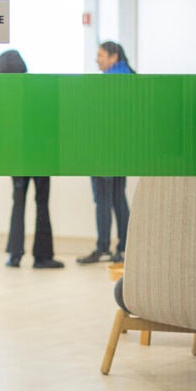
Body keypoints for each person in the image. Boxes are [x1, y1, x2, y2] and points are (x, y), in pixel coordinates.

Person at [0, 50, 64, 269]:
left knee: (18, 202)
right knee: (42, 202)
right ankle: (42, 257)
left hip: (17, 155)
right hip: (41, 154)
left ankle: (14, 255)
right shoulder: (38, 88)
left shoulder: (4, 94)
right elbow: (51, 122)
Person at [77, 41, 134, 264]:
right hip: (122, 150)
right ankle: (124, 247)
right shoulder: (130, 78)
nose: (97, 60)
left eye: (101, 56)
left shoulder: (107, 83)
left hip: (103, 149)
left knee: (102, 199)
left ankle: (102, 248)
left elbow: (96, 118)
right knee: (118, 197)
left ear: (114, 57)